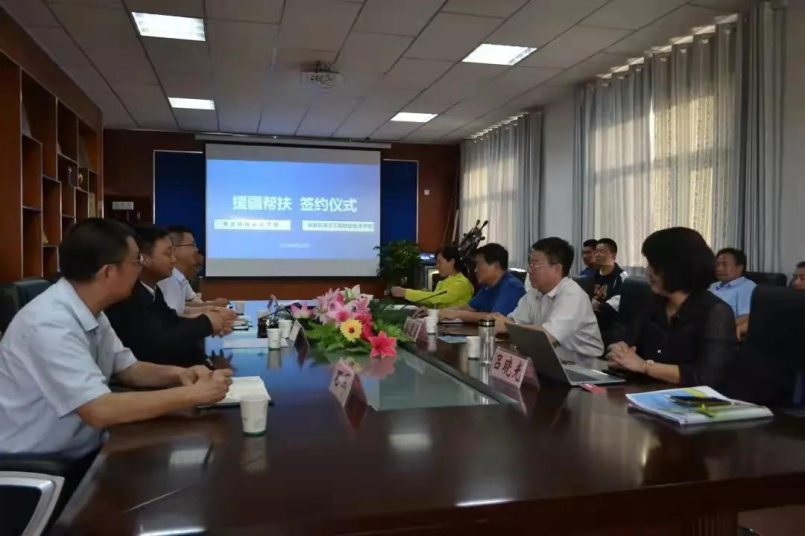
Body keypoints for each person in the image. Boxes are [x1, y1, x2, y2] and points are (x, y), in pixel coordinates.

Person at [0, 218, 233, 460]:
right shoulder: (49, 324)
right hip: (40, 462)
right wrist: (193, 394)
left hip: (87, 445)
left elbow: (128, 369)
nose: (140, 269)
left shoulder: (90, 308)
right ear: (109, 272)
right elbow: (98, 410)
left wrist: (180, 374)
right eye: (136, 262)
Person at [607, 227, 737, 387]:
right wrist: (619, 354)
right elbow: (629, 347)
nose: (648, 272)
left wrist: (644, 366)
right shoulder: (651, 302)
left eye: (653, 265)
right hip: (643, 392)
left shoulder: (716, 312)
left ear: (676, 268)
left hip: (690, 400)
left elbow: (707, 377)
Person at [105, 225, 233, 367]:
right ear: (144, 259)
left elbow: (172, 323)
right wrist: (207, 322)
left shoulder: (153, 290)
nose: (173, 259)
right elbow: (158, 340)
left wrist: (205, 362)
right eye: (167, 254)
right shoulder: (127, 296)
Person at [493, 238, 604, 358]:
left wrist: (508, 327)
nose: (529, 270)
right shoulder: (535, 292)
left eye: (535, 264)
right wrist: (503, 324)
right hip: (549, 359)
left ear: (556, 269)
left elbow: (548, 335)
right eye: (529, 264)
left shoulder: (573, 294)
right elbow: (514, 321)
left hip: (585, 365)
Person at [438, 243, 525, 322]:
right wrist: (439, 312)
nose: (475, 270)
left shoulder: (512, 287)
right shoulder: (488, 287)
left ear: (495, 265)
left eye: (479, 264)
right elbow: (468, 308)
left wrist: (457, 314)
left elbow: (495, 318)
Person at [158, 225, 229, 315]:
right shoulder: (167, 278)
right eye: (192, 245)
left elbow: (181, 309)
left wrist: (211, 308)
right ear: (175, 250)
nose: (196, 250)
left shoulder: (178, 277)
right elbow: (172, 317)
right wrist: (209, 317)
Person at [389, 246, 473, 309]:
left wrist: (405, 292)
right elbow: (436, 303)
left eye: (440, 262)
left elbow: (435, 298)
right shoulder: (445, 281)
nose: (437, 266)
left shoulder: (462, 283)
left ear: (452, 261)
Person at [708, 248, 756, 339]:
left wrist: (718, 326)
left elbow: (747, 317)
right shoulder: (713, 286)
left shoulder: (747, 286)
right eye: (717, 265)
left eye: (725, 264)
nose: (719, 269)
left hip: (720, 334)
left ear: (739, 268)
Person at [591, 238, 628, 319]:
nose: (597, 255)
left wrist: (599, 306)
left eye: (602, 252)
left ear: (613, 256)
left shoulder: (622, 277)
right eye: (596, 251)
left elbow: (618, 302)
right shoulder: (592, 275)